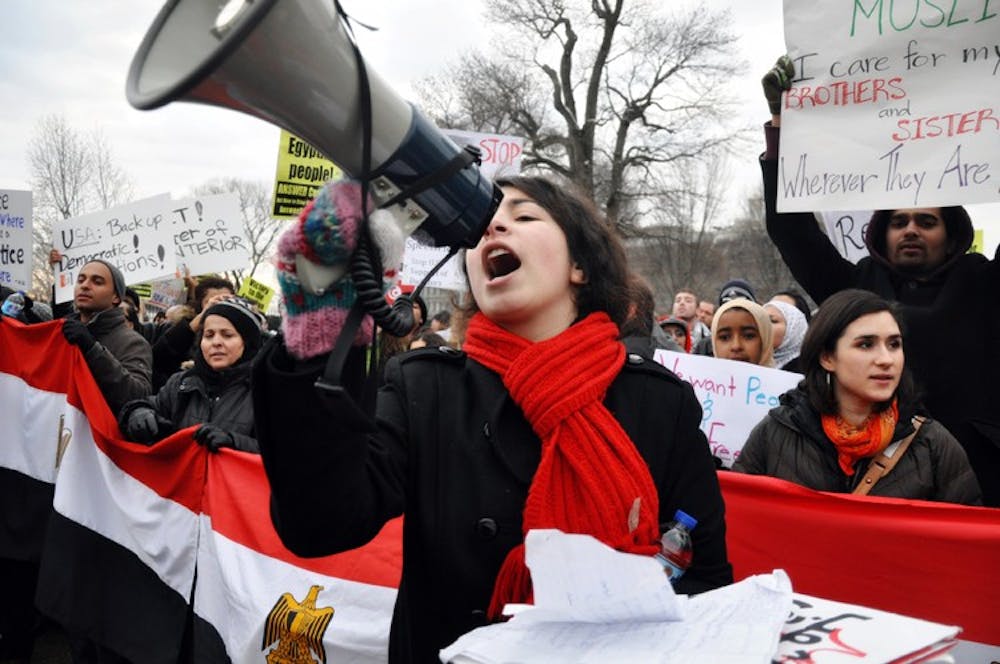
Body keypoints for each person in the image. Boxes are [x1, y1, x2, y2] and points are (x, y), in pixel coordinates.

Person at [252, 176, 732, 663]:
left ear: (581, 267)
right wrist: (319, 326)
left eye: (524, 216)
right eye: (482, 225)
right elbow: (320, 524)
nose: (495, 225)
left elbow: (706, 582)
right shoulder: (423, 388)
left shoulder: (659, 403)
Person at [760, 56, 1000, 505]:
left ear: (951, 237)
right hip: (882, 481)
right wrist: (783, 126)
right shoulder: (855, 290)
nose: (911, 229)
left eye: (926, 221)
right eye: (900, 221)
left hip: (981, 479)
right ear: (881, 234)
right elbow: (791, 231)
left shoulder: (985, 284)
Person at [734, 290, 981, 504]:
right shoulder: (776, 433)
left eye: (894, 344)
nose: (886, 359)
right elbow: (741, 520)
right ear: (827, 357)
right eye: (866, 345)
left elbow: (963, 542)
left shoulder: (933, 444)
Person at [119, 297, 264, 453]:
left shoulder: (266, 392)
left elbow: (284, 454)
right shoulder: (181, 383)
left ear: (248, 343)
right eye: (208, 335)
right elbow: (148, 405)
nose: (216, 342)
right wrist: (137, 413)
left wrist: (235, 443)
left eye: (227, 335)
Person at [61, 260, 153, 415]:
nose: (85, 285)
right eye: (81, 280)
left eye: (97, 282)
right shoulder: (64, 332)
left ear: (116, 297)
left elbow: (139, 396)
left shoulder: (132, 342)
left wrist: (92, 350)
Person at [151, 276, 235, 390]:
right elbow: (159, 357)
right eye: (211, 302)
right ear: (199, 305)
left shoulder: (244, 333)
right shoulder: (181, 329)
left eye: (226, 301)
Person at [711, 298, 774, 367]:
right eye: (725, 337)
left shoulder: (782, 377)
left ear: (765, 340)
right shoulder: (702, 376)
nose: (736, 346)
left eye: (748, 336)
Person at [764, 298, 808, 372]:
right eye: (760, 320)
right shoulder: (747, 360)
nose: (762, 325)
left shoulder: (808, 371)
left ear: (793, 329)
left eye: (773, 321)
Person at [671, 288, 709, 353]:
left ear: (697, 309)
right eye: (678, 301)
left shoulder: (707, 336)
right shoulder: (660, 333)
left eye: (688, 301)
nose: (682, 303)